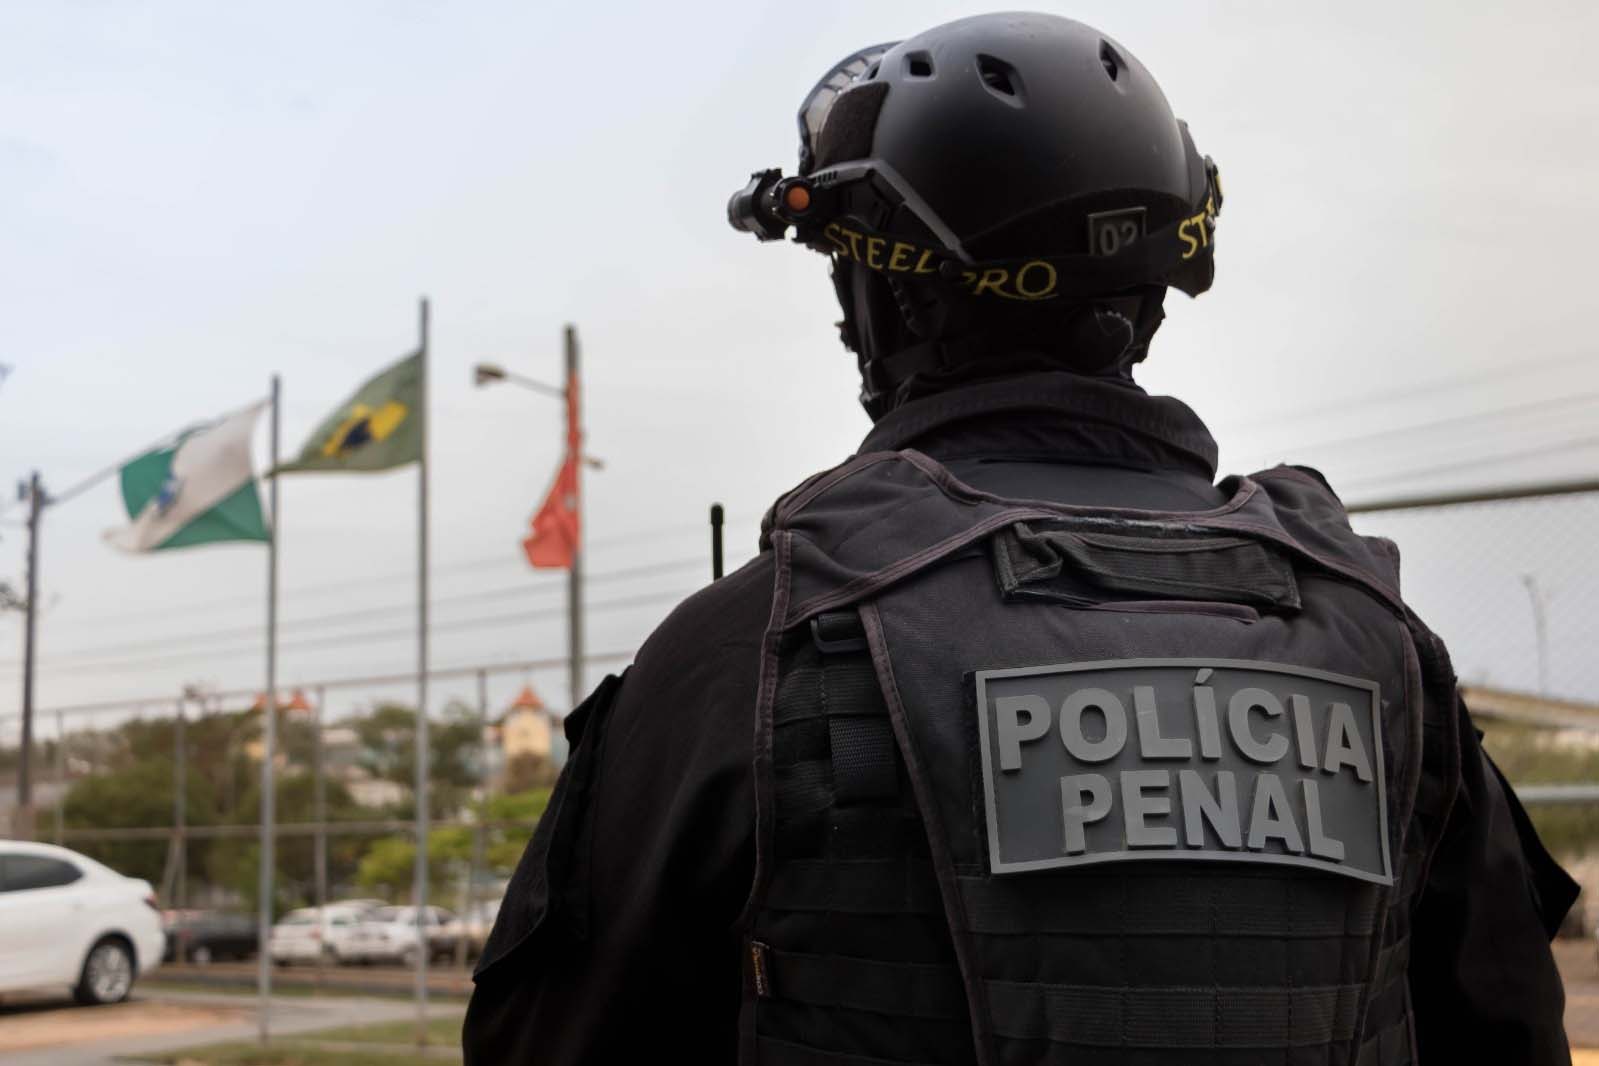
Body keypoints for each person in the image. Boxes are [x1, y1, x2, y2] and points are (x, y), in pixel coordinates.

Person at [463, 13, 1577, 1064]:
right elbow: (1507, 1023)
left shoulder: (751, 646)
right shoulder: (1383, 648)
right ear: (1156, 284)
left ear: (885, 300)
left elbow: (549, 1037)